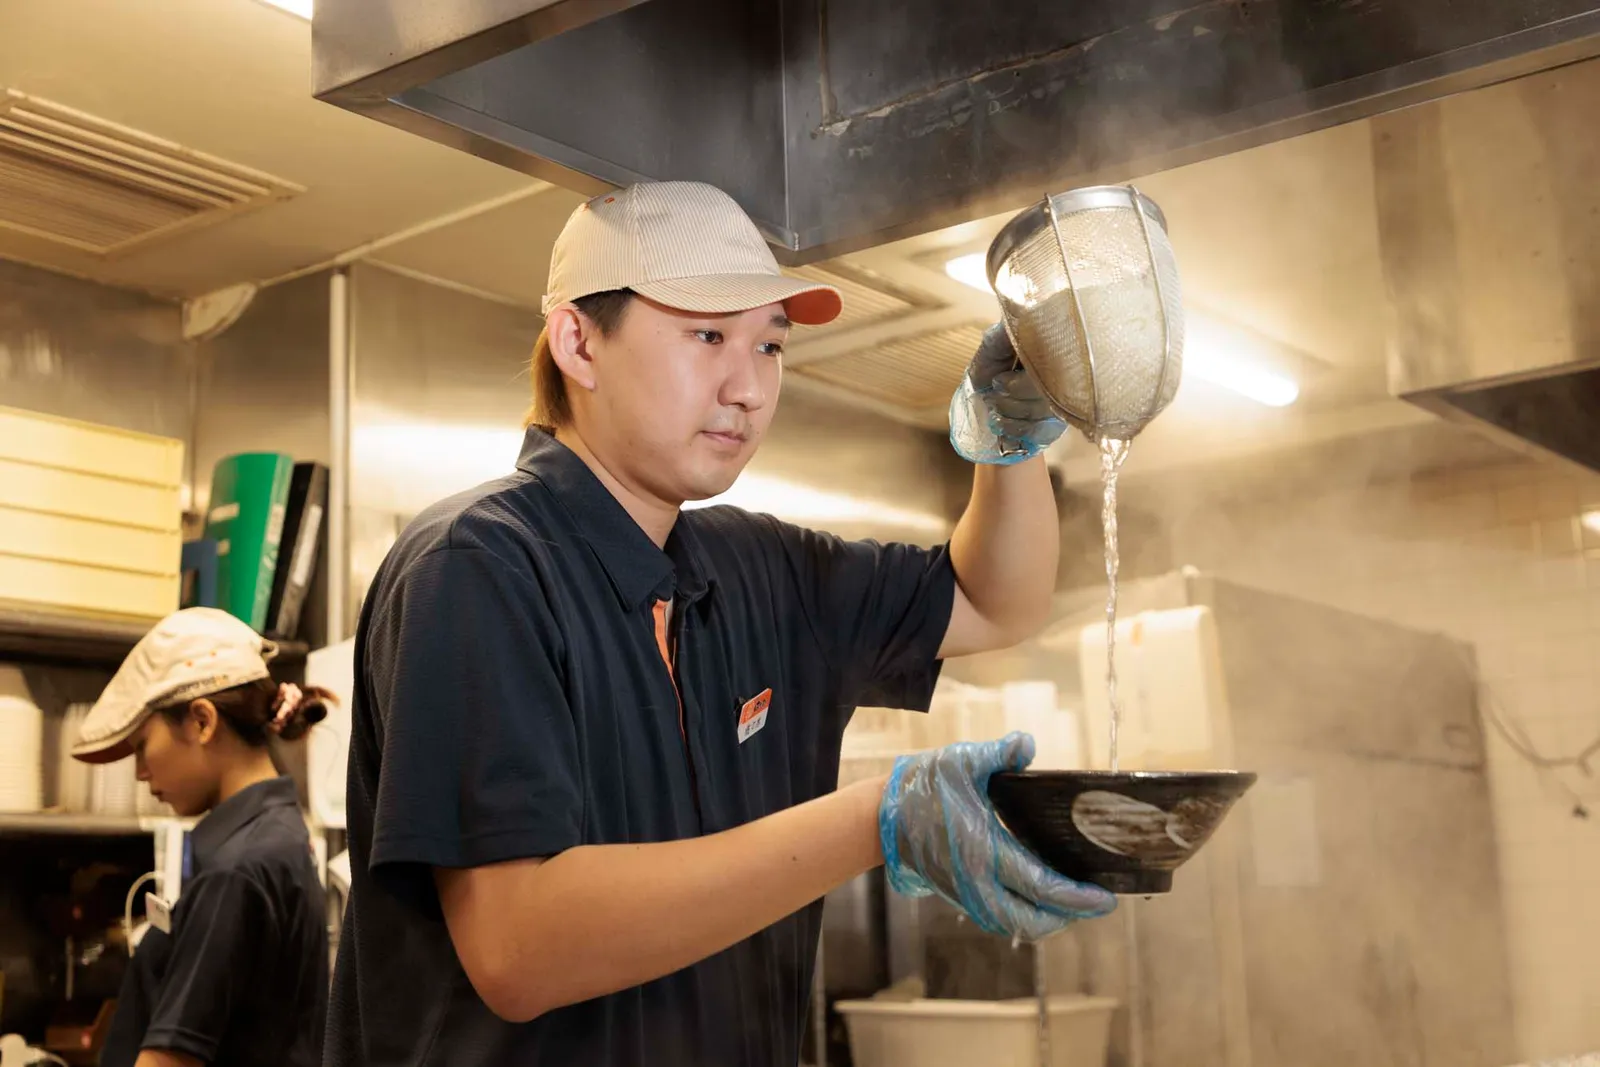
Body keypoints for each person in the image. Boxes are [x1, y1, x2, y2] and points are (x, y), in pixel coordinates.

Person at [326, 181, 1115, 1067]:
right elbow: (519, 947)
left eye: (769, 345)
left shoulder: (759, 569)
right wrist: (878, 819)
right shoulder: (477, 566)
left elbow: (993, 600)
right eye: (707, 336)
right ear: (579, 341)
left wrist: (1011, 445)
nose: (748, 388)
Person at [71, 607, 331, 1067]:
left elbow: (171, 1061)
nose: (139, 772)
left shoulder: (236, 871)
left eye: (142, 746)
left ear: (202, 721)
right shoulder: (277, 837)